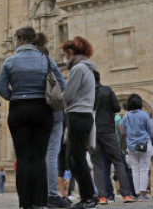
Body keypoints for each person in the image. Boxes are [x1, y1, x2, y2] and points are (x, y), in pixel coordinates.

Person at [0, 27, 62, 209]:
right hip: (43, 109)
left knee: (24, 158)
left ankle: (25, 203)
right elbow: (61, 84)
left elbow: (0, 88)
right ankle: (39, 202)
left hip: (19, 110)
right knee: (40, 157)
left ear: (20, 39)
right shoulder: (46, 59)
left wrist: (15, 96)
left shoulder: (10, 61)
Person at [60, 36, 98, 209]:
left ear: (70, 52)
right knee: (73, 158)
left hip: (77, 115)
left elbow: (68, 95)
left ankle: (88, 198)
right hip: (83, 115)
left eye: (64, 54)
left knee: (77, 158)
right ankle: (88, 195)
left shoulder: (78, 69)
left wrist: (56, 100)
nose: (64, 58)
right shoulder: (88, 69)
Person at [34, 34, 70, 209]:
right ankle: (52, 194)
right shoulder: (49, 61)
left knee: (35, 154)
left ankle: (36, 193)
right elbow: (63, 86)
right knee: (51, 155)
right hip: (54, 113)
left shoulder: (27, 64)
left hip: (33, 113)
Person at [91, 71, 135, 204]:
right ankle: (126, 195)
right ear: (100, 78)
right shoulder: (107, 90)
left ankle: (102, 196)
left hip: (92, 131)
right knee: (118, 161)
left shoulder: (86, 93)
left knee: (97, 165)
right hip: (108, 130)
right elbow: (116, 107)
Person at [118, 93, 150, 202]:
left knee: (135, 170)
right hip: (144, 144)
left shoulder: (125, 116)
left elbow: (125, 131)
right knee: (144, 169)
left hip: (131, 146)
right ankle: (143, 193)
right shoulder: (144, 115)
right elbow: (150, 129)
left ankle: (136, 193)